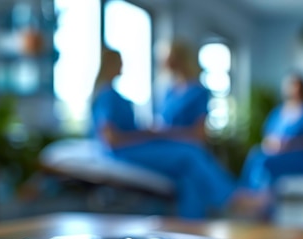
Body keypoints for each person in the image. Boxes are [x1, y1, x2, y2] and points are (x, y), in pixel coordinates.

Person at [90, 48, 267, 220]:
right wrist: (148, 135)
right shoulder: (108, 95)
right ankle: (233, 199)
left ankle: (192, 228)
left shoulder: (193, 91)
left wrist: (152, 134)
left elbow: (198, 132)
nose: (123, 67)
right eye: (120, 62)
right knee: (189, 155)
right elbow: (111, 138)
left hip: (142, 146)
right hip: (125, 152)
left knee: (188, 177)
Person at [240, 73, 303, 190]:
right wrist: (273, 145)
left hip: (298, 157)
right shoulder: (278, 112)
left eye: (297, 87)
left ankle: (260, 197)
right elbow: (267, 135)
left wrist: (290, 144)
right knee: (255, 155)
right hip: (275, 153)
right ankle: (248, 193)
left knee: (265, 162)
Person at [155, 40, 210, 143]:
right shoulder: (169, 91)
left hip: (186, 146)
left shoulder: (198, 92)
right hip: (166, 143)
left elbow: (200, 133)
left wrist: (166, 134)